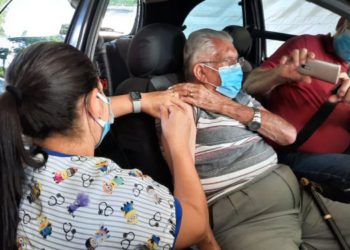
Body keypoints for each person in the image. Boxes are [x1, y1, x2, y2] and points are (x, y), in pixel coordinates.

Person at [0, 42, 218, 249]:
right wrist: (180, 147)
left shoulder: (13, 155)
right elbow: (196, 225)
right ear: (96, 101)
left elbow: (74, 107)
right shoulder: (122, 194)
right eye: (103, 91)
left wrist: (139, 100)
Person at [168, 28, 350, 249]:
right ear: (201, 71)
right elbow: (183, 177)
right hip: (248, 216)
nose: (238, 68)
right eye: (229, 62)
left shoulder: (237, 97)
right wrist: (205, 239)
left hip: (299, 199)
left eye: (238, 60)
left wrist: (226, 106)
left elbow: (287, 134)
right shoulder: (180, 103)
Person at [243, 17, 350, 200]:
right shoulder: (306, 46)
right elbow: (249, 86)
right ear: (342, 23)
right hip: (290, 154)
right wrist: (278, 75)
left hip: (337, 156)